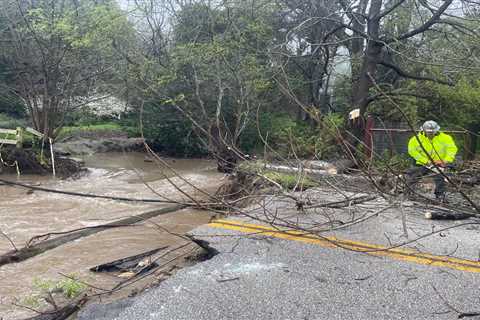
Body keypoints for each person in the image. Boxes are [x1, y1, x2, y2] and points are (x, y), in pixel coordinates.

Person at [406, 120, 458, 201]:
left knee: (440, 177)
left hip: (439, 163)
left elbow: (452, 149)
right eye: (428, 132)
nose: (430, 134)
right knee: (413, 175)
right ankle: (408, 192)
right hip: (422, 163)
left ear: (437, 131)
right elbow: (412, 151)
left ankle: (440, 195)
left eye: (432, 132)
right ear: (423, 131)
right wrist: (425, 161)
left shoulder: (446, 138)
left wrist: (445, 161)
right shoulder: (416, 139)